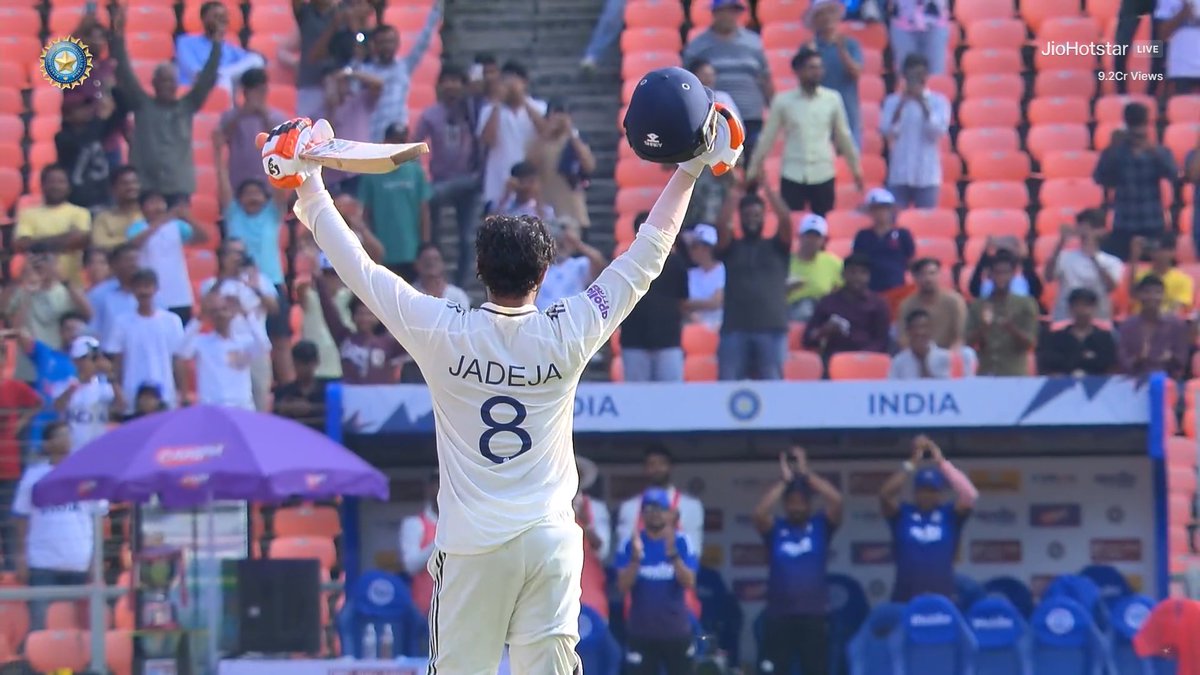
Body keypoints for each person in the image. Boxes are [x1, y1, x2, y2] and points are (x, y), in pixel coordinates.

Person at [259, 73, 735, 666]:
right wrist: (688, 169)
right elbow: (648, 253)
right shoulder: (570, 328)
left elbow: (360, 271)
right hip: (548, 540)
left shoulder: (440, 329)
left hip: (471, 547)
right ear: (544, 274)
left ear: (480, 269)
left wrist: (309, 192)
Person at [110, 2, 221, 205]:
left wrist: (216, 43)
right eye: (162, 80)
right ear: (154, 83)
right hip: (145, 187)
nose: (167, 85)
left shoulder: (188, 105)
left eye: (171, 81)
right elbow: (125, 71)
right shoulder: (142, 104)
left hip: (178, 189)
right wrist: (117, 36)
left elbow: (207, 77)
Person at [753, 446, 843, 675]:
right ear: (785, 505)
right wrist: (784, 482)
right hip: (779, 616)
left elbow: (837, 501)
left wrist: (806, 473)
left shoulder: (820, 526)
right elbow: (759, 514)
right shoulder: (777, 529)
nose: (796, 505)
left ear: (809, 504)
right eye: (791, 501)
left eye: (801, 501)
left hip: (813, 616)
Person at [12, 422, 107, 630]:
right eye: (59, 435)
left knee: (75, 625)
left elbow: (98, 517)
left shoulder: (85, 475)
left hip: (78, 560)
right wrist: (21, 556)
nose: (65, 439)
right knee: (40, 622)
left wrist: (95, 558)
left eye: (67, 435)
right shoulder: (33, 476)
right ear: (47, 444)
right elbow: (21, 517)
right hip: (42, 561)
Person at [746, 47, 862, 216]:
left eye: (819, 67)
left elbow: (843, 135)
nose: (817, 72)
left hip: (823, 172)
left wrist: (856, 170)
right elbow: (767, 138)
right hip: (793, 173)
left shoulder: (832, 99)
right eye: (811, 68)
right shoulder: (783, 101)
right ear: (798, 71)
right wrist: (753, 170)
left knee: (823, 225)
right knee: (791, 225)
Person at [878, 435, 978, 602]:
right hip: (905, 597)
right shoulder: (903, 514)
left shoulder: (949, 515)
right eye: (923, 490)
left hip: (943, 596)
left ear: (939, 493)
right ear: (915, 492)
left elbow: (969, 495)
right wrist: (913, 462)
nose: (927, 495)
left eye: (932, 490)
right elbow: (885, 495)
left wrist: (941, 462)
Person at [614, 488, 700, 675]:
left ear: (669, 513)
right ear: (642, 514)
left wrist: (673, 554)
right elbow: (622, 586)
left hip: (676, 632)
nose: (654, 513)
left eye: (659, 508)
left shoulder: (683, 541)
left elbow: (689, 582)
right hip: (642, 634)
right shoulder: (629, 544)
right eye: (649, 508)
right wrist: (636, 559)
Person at [715, 185, 794, 381]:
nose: (752, 219)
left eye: (757, 215)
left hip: (771, 327)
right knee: (728, 390)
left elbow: (785, 219)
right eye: (747, 215)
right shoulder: (732, 248)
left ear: (764, 217)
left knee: (773, 390)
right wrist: (737, 192)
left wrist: (767, 189)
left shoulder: (777, 247)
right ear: (740, 218)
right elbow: (721, 224)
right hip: (735, 328)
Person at [414, 64, 482, 287]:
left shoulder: (471, 110)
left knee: (465, 238)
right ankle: (435, 276)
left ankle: (461, 285)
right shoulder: (431, 114)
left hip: (468, 181)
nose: (452, 85)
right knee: (433, 235)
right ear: (440, 85)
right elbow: (416, 143)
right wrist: (420, 176)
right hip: (441, 181)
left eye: (457, 81)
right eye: (447, 80)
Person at [682, 0, 771, 158]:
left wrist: (772, 108)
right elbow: (687, 82)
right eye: (726, 10)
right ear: (715, 13)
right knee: (722, 166)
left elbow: (765, 77)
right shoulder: (698, 45)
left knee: (753, 166)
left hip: (752, 116)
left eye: (734, 11)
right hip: (716, 117)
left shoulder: (754, 42)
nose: (730, 15)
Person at [1093, 103, 1178, 260]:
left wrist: (1154, 151)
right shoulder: (1116, 151)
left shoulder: (1158, 151)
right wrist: (1113, 149)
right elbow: (1101, 179)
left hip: (1152, 222)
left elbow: (1173, 175)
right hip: (1124, 223)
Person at [618, 213, 690, 383]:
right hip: (633, 339)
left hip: (668, 339)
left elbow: (682, 301)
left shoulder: (677, 263)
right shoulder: (625, 261)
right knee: (636, 397)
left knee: (671, 396)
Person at [104, 269, 186, 413]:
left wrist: (183, 393)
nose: (144, 291)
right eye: (139, 287)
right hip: (132, 395)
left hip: (165, 394)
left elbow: (177, 360)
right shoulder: (122, 322)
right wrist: (117, 390)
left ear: (156, 289)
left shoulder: (172, 321)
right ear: (132, 290)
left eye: (147, 286)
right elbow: (117, 362)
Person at [357, 3, 442, 141]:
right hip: (372, 137)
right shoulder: (364, 71)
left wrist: (437, 9)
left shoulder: (405, 66)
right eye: (382, 42)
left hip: (399, 135)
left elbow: (424, 40)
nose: (387, 46)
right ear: (374, 45)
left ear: (397, 43)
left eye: (390, 41)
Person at [358, 123, 433, 279]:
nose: (398, 146)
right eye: (394, 142)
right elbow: (365, 213)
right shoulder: (372, 173)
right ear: (385, 143)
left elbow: (424, 211)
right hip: (384, 252)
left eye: (401, 142)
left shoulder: (416, 172)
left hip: (411, 252)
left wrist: (424, 245)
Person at [880, 53, 951, 209]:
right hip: (899, 174)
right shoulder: (892, 101)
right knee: (897, 224)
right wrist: (900, 107)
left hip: (927, 175)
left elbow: (938, 132)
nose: (917, 79)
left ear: (926, 75)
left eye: (920, 75)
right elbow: (886, 131)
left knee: (927, 225)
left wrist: (923, 104)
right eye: (912, 75)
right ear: (904, 75)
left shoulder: (939, 102)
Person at [477, 61, 547, 212]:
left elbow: (546, 134)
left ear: (525, 83)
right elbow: (487, 141)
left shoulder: (540, 107)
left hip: (532, 187)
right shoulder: (489, 110)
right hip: (498, 185)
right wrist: (497, 103)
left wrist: (523, 100)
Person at [127, 194, 208, 324]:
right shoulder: (138, 227)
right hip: (150, 294)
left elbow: (203, 238)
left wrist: (188, 218)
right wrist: (161, 221)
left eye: (160, 202)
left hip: (179, 294)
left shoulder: (177, 226)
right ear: (142, 208)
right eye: (152, 203)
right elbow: (134, 244)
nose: (157, 207)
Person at [179, 292, 269, 409]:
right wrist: (199, 319)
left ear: (233, 314)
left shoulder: (245, 342)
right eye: (216, 311)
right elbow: (182, 351)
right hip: (211, 406)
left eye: (224, 309)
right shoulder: (200, 342)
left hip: (241, 405)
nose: (221, 314)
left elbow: (265, 345)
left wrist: (246, 314)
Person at [11, 165, 92, 288]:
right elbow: (21, 244)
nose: (56, 186)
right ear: (42, 185)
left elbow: (79, 240)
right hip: (37, 286)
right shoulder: (27, 214)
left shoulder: (80, 213)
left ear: (68, 187)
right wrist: (64, 239)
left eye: (61, 182)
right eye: (51, 182)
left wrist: (38, 245)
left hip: (72, 285)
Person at [214, 68, 289, 199]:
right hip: (237, 183)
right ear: (244, 92)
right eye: (252, 91)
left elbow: (282, 141)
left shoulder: (276, 117)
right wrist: (242, 113)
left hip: (269, 184)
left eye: (260, 91)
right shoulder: (231, 116)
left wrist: (263, 114)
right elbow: (221, 138)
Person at [616, 445, 706, 553]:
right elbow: (624, 551)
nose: (657, 469)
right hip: (640, 568)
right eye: (652, 464)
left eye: (662, 463)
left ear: (670, 467)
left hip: (677, 568)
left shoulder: (690, 505)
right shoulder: (630, 507)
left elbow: (694, 551)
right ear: (645, 469)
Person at [803, 253, 891, 359]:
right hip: (834, 358)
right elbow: (807, 339)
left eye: (863, 273)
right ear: (843, 274)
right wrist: (824, 330)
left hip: (867, 360)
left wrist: (862, 356)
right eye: (852, 272)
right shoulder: (828, 302)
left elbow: (882, 341)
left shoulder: (878, 304)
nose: (857, 277)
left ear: (869, 276)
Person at [965, 250, 1039, 376]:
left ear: (1013, 275)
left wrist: (1011, 329)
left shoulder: (1026, 304)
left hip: (1015, 374)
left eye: (1006, 273)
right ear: (990, 275)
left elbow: (1031, 343)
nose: (1001, 277)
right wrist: (983, 328)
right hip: (986, 372)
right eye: (997, 273)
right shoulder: (978, 305)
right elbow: (967, 342)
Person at [1044, 209, 1123, 323]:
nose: (1086, 233)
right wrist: (1061, 243)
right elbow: (1048, 277)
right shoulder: (1064, 256)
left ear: (1101, 231)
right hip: (1065, 319)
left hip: (1098, 320)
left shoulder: (1112, 261)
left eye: (1090, 228)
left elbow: (1111, 287)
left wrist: (1094, 258)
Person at [526, 99, 595, 228]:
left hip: (575, 213)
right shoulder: (539, 142)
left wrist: (570, 132)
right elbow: (529, 166)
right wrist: (547, 132)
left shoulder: (576, 141)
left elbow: (588, 165)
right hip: (547, 214)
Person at [806, 0, 863, 147]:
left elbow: (856, 73)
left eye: (831, 12)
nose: (827, 18)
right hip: (818, 115)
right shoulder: (809, 48)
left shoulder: (850, 44)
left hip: (847, 114)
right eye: (821, 14)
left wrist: (842, 50)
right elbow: (805, 82)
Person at [175, 0, 265, 91]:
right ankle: (221, 76)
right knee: (221, 79)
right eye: (216, 16)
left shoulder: (229, 48)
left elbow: (256, 61)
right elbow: (196, 74)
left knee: (256, 60)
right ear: (203, 19)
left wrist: (222, 74)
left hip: (224, 87)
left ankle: (221, 75)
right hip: (196, 92)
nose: (222, 20)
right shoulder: (185, 42)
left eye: (224, 17)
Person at [55, 336, 124, 452]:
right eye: (92, 358)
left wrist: (110, 375)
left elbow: (121, 406)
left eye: (98, 358)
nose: (97, 362)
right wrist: (77, 384)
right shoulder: (64, 384)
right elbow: (58, 407)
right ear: (77, 361)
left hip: (98, 450)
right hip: (72, 450)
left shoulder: (105, 386)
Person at [1118, 275, 1190, 379]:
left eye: (1157, 292)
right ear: (1138, 295)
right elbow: (1122, 361)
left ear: (1163, 296)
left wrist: (1170, 359)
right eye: (1147, 292)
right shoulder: (1127, 325)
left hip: (1168, 383)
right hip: (1133, 382)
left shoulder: (1176, 325)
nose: (1152, 296)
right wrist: (1139, 359)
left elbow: (1182, 361)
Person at [1037, 288, 1118, 376]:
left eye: (1086, 305)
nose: (1082, 310)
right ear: (1070, 308)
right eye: (1077, 305)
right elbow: (1049, 364)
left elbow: (1109, 364)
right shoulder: (1057, 338)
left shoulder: (1104, 338)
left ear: (1094, 308)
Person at [852, 188, 915, 293]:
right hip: (869, 289)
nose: (880, 212)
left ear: (891, 210)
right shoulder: (862, 235)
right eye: (876, 209)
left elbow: (911, 259)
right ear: (870, 212)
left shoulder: (903, 234)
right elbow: (857, 261)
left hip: (896, 288)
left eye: (884, 208)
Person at [896, 258, 967, 350]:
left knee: (967, 353)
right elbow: (903, 338)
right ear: (915, 277)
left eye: (932, 273)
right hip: (917, 355)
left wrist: (949, 356)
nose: (928, 279)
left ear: (939, 275)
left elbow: (961, 336)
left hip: (948, 353)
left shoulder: (955, 302)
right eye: (922, 274)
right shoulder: (906, 305)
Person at [787, 214, 843, 322]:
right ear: (800, 237)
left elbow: (843, 290)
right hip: (791, 309)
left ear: (823, 240)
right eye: (808, 235)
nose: (811, 240)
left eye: (817, 236)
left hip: (823, 308)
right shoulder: (785, 262)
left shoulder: (833, 262)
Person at [574, 457, 611, 619]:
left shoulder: (596, 508)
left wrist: (586, 522)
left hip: (589, 592)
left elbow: (603, 550)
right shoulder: (546, 506)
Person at [399, 472, 440, 617]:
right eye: (438, 484)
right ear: (429, 489)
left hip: (457, 611)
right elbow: (411, 566)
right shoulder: (415, 524)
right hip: (425, 612)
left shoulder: (463, 523)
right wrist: (439, 541)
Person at [1129, 234, 1194, 315]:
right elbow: (1133, 295)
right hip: (1140, 321)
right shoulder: (1142, 276)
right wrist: (1135, 257)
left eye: (1160, 249)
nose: (1156, 253)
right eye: (1154, 249)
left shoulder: (1183, 280)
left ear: (1172, 252)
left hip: (1166, 323)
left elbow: (1176, 308)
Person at [272, 340, 328, 430]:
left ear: (316, 362)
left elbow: (335, 413)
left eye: (308, 363)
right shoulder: (283, 392)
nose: (305, 368)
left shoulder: (326, 391)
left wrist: (311, 409)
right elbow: (274, 420)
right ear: (294, 363)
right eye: (300, 363)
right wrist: (286, 409)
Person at [683, 224, 726, 330]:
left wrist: (690, 305)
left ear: (707, 248)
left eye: (694, 246)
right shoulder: (690, 274)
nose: (690, 251)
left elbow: (716, 302)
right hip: (694, 333)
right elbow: (681, 304)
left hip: (719, 331)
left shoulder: (723, 270)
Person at [889, 309, 953, 379]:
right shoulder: (899, 362)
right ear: (908, 331)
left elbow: (952, 387)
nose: (920, 332)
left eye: (924, 327)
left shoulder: (946, 358)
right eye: (915, 327)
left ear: (931, 330)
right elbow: (891, 387)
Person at [90, 167, 142, 251]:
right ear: (112, 189)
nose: (131, 187)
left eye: (134, 182)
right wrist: (134, 240)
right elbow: (99, 244)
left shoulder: (149, 213)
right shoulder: (103, 218)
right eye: (125, 183)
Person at [412, 243, 472, 308]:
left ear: (443, 264)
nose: (431, 263)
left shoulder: (457, 295)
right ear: (417, 264)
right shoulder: (410, 294)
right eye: (427, 260)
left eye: (436, 259)